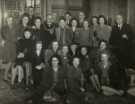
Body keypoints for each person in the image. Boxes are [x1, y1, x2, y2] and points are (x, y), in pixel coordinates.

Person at [1, 16, 17, 81]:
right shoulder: (4, 27)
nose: (10, 21)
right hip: (7, 46)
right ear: (6, 20)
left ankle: (7, 74)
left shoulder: (14, 27)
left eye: (11, 20)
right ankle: (5, 76)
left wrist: (15, 39)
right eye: (8, 20)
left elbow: (16, 36)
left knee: (13, 61)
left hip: (13, 46)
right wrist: (13, 39)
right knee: (10, 61)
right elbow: (5, 36)